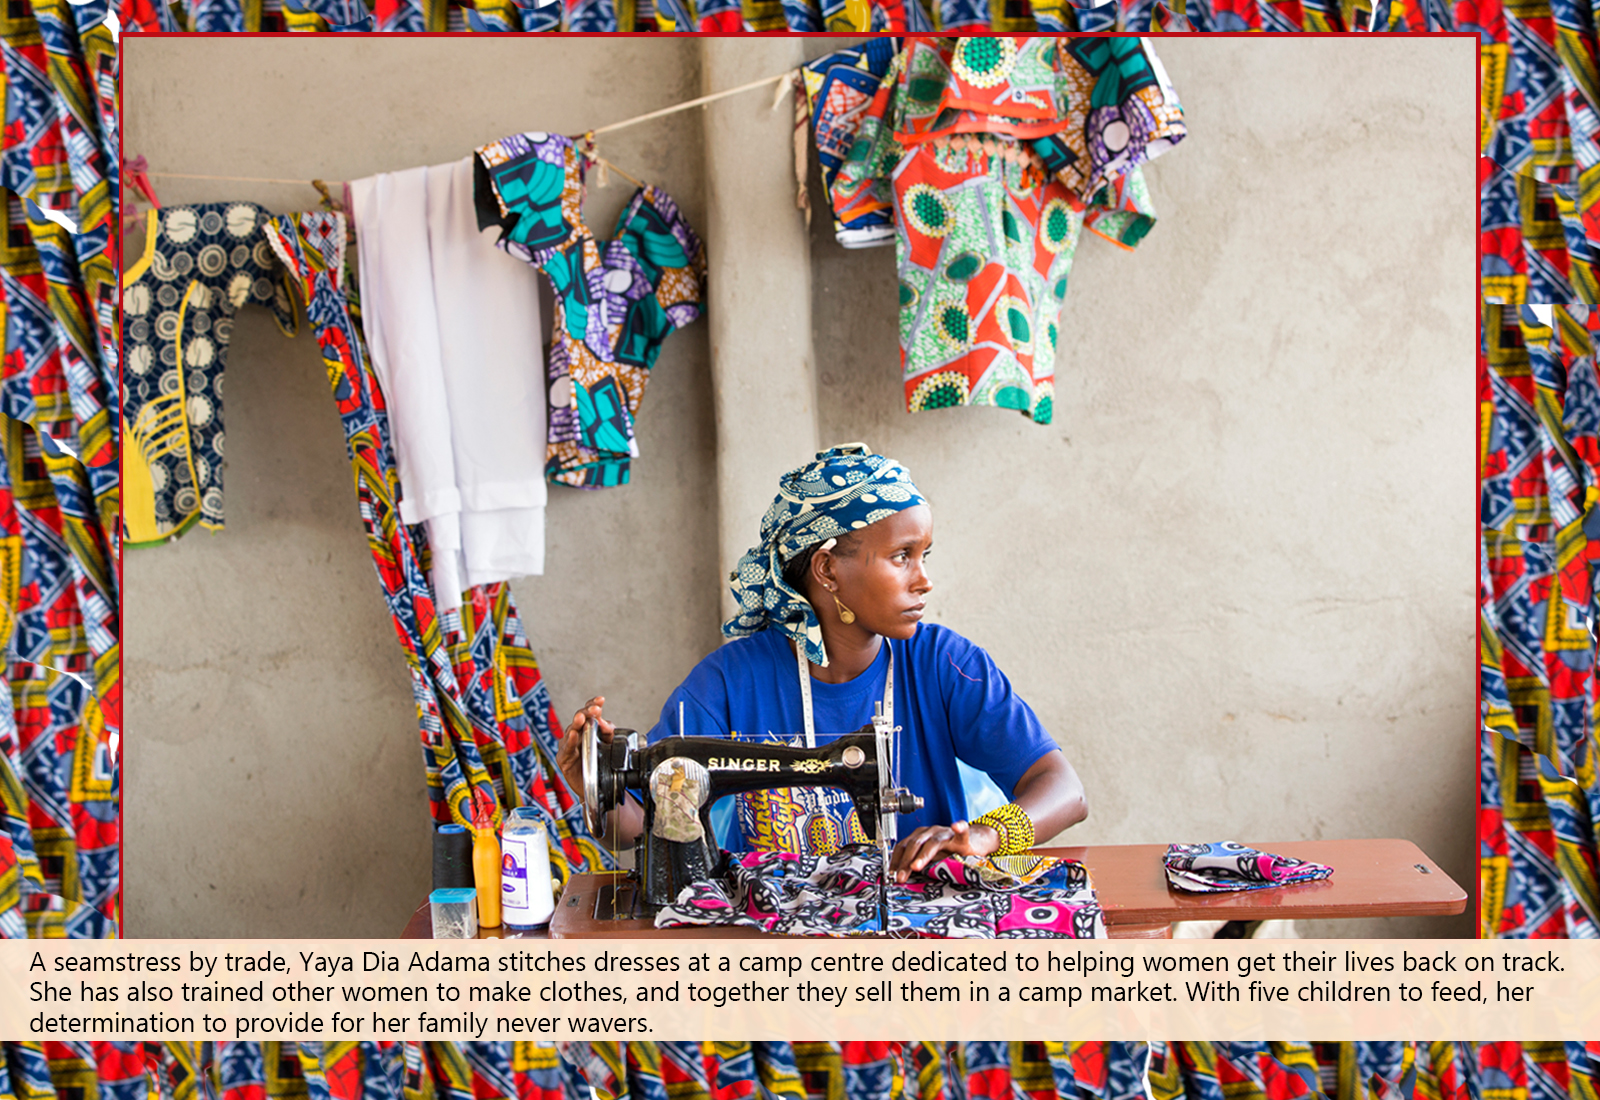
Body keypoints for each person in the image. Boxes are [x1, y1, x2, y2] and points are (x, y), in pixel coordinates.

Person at [555, 444, 1086, 881]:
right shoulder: (727, 685)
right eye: (903, 557)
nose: (924, 579)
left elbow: (1062, 787)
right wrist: (592, 787)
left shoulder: (944, 664)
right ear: (828, 569)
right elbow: (643, 826)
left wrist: (984, 834)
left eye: (925, 556)